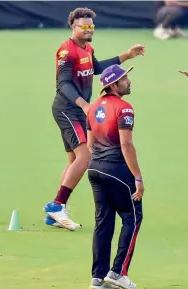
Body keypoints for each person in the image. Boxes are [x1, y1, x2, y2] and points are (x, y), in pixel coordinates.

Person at [43, 7, 145, 231]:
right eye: (84, 26)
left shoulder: (87, 48)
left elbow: (97, 68)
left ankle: (55, 212)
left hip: (78, 110)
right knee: (85, 156)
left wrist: (127, 55)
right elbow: (63, 84)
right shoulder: (66, 51)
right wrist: (85, 105)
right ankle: (57, 204)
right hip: (67, 109)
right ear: (73, 27)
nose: (89, 30)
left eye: (91, 26)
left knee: (74, 161)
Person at [86, 65, 144, 289]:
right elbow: (126, 144)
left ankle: (97, 277)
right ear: (113, 85)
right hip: (117, 170)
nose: (128, 81)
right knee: (133, 217)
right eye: (124, 79)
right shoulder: (125, 109)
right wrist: (137, 178)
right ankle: (118, 272)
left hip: (95, 169)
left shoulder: (92, 107)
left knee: (103, 221)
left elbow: (90, 145)